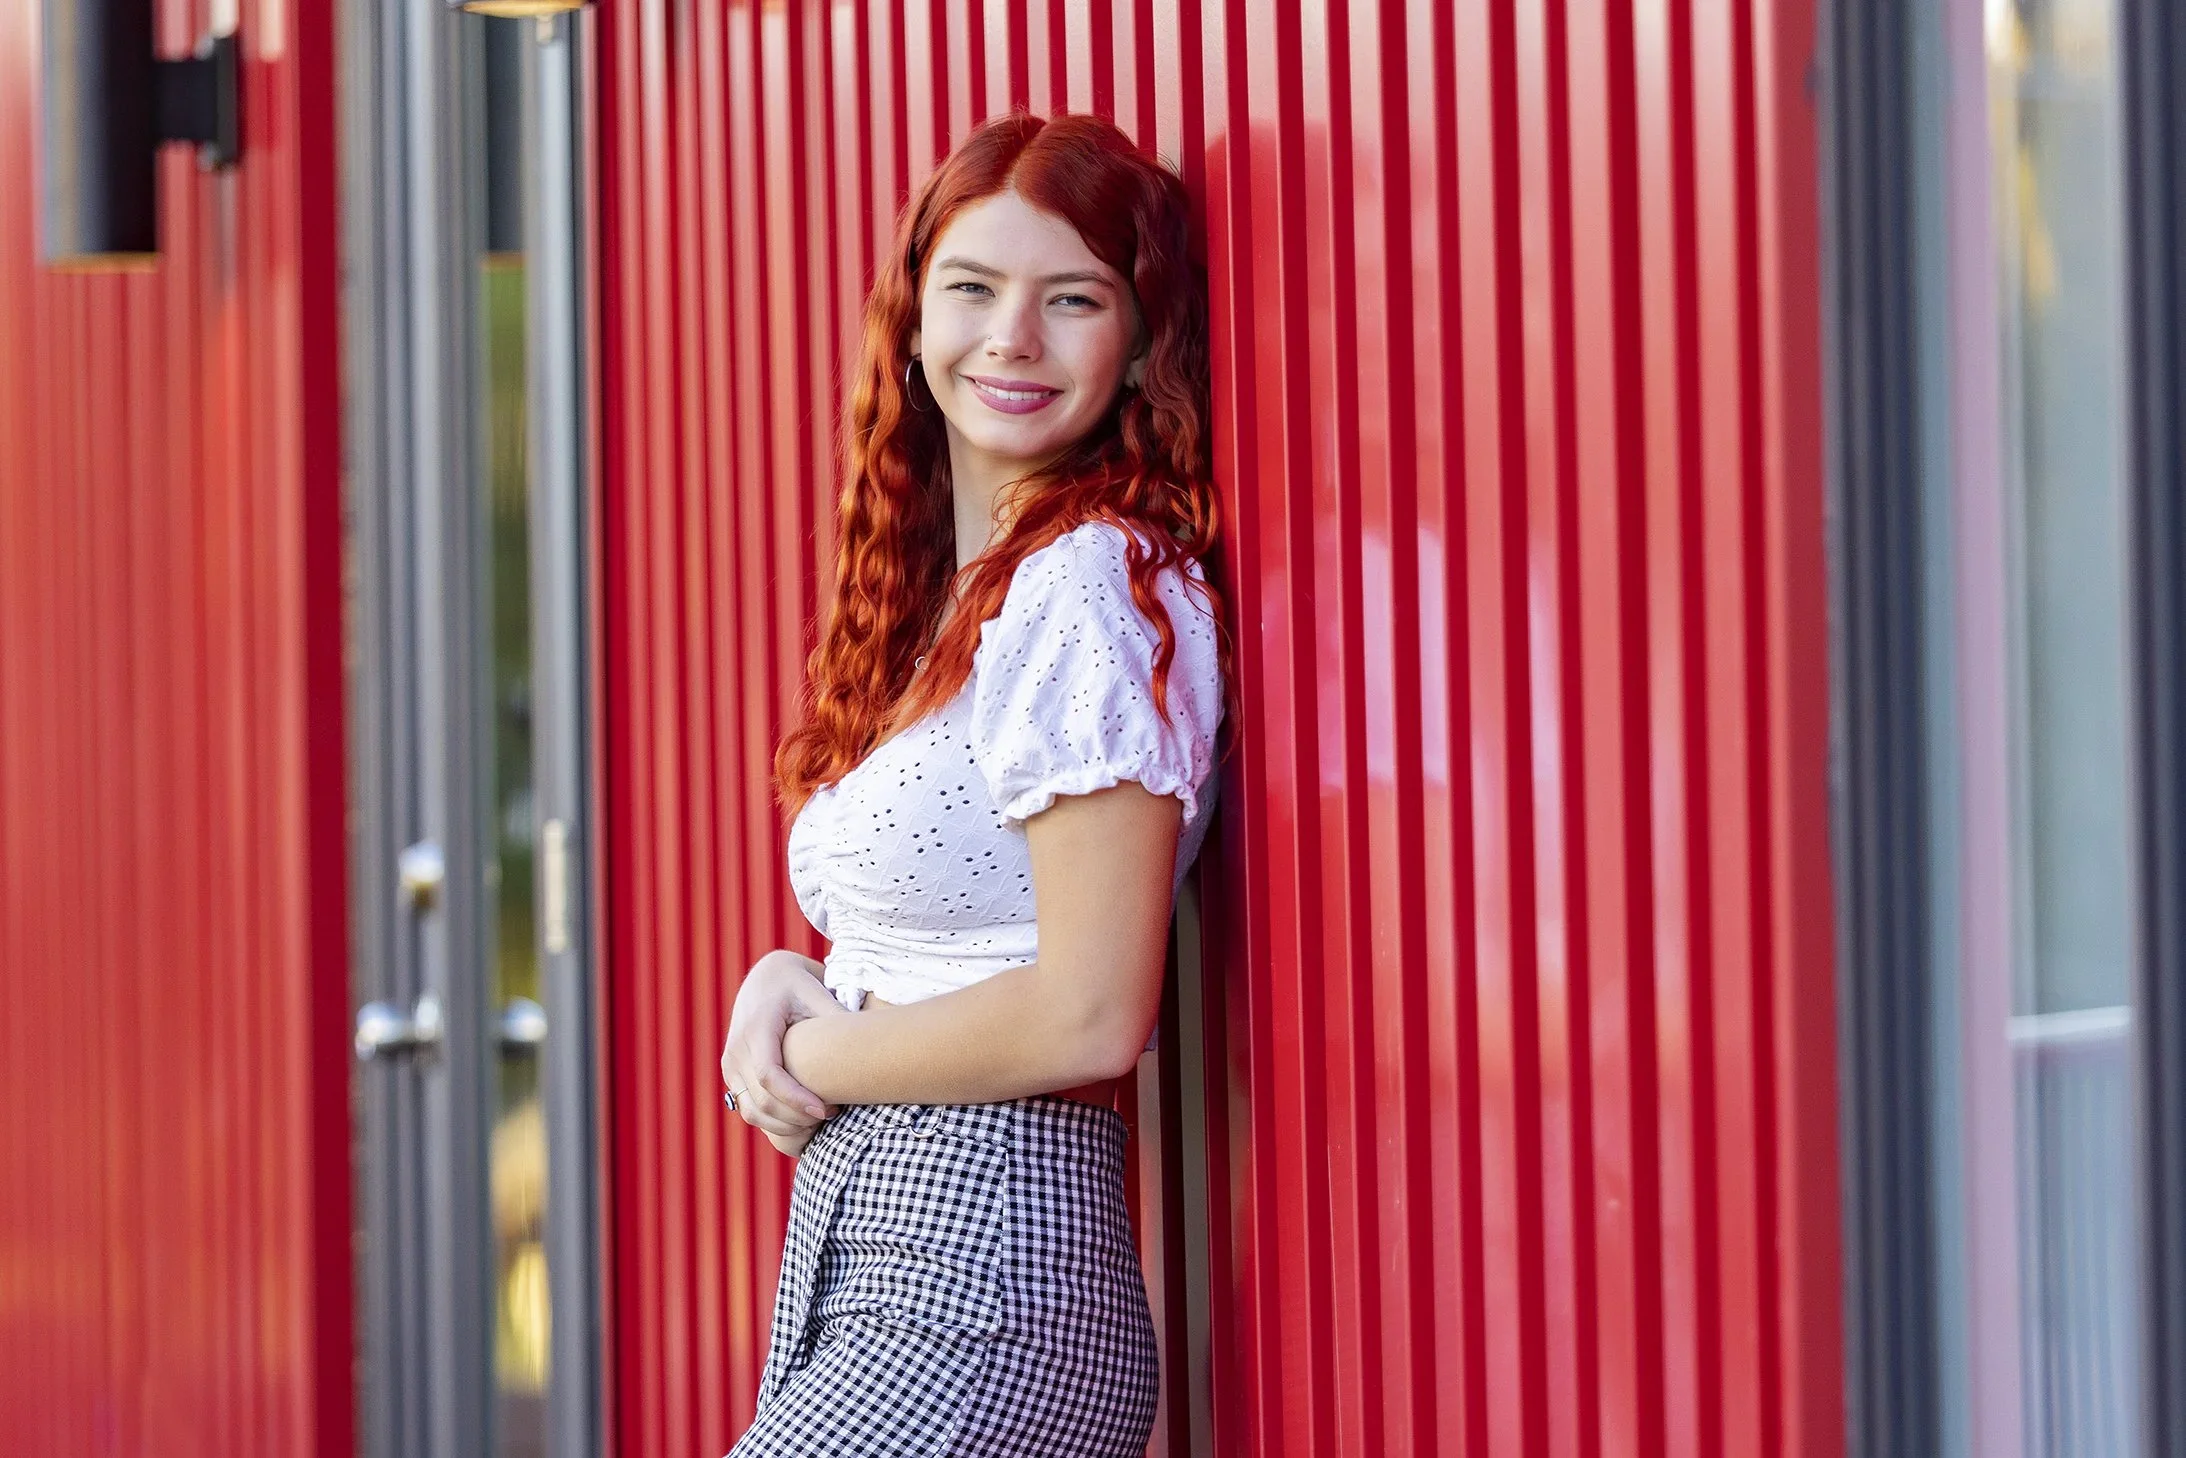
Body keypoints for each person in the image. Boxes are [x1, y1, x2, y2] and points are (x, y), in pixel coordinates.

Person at [717, 110, 1234, 1457]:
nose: (1011, 337)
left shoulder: (1087, 589)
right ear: (909, 316)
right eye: (973, 288)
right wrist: (796, 974)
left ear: (1136, 344)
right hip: (873, 1248)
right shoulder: (951, 597)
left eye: (1072, 299)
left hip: (986, 1274)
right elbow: (956, 924)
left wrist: (806, 1049)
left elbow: (1087, 1009)